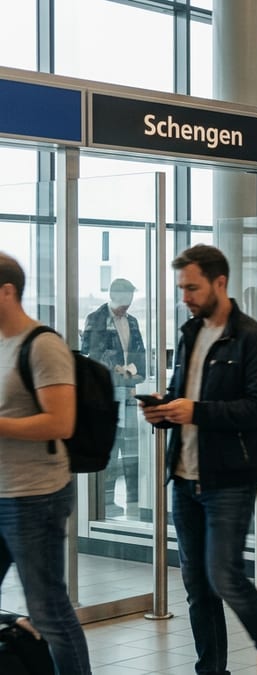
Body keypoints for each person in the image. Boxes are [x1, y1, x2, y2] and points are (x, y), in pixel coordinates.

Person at [140, 245, 257, 674]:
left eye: (192, 287)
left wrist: (195, 411)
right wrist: (163, 410)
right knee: (197, 586)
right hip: (184, 477)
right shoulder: (189, 334)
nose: (185, 296)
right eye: (181, 288)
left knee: (224, 574)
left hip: (229, 478)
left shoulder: (253, 339)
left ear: (219, 283)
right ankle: (211, 669)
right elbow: (180, 394)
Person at [0, 253, 92, 675]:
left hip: (33, 498)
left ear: (7, 292)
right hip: (3, 490)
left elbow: (61, 421)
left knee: (49, 609)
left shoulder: (43, 345)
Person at [80, 278, 146, 519]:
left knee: (131, 448)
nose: (125, 309)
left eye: (128, 305)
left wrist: (134, 376)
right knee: (111, 445)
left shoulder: (133, 321)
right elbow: (91, 355)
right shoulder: (95, 319)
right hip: (106, 394)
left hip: (128, 391)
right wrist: (115, 370)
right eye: (122, 305)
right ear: (114, 297)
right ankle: (106, 502)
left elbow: (140, 354)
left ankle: (133, 499)